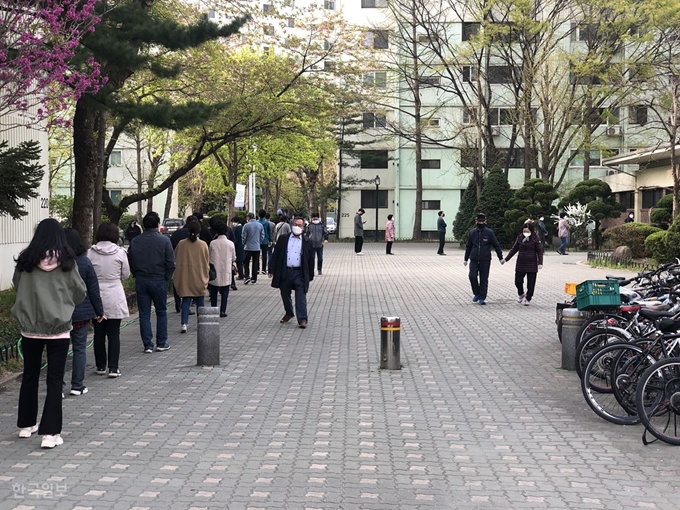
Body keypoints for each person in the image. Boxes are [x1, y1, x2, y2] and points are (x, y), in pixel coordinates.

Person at [13, 218, 86, 448]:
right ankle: (50, 434)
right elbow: (80, 291)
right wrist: (63, 303)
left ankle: (26, 426)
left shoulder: (25, 261)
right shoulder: (67, 263)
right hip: (59, 329)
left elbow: (17, 286)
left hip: (30, 328)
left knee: (30, 376)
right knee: (55, 381)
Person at [63, 229, 105, 396]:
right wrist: (99, 311)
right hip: (81, 313)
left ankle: (58, 387)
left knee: (60, 351)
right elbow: (93, 290)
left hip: (60, 315)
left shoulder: (55, 263)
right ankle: (77, 385)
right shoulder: (85, 263)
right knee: (80, 349)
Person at [88, 222, 131, 377]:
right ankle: (113, 368)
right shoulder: (120, 253)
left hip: (96, 294)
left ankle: (100, 366)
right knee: (114, 333)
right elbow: (126, 274)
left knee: (98, 333)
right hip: (114, 294)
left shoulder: (90, 253)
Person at [128, 212, 175, 353]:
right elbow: (171, 263)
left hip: (141, 279)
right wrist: (166, 277)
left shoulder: (135, 241)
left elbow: (131, 260)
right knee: (161, 311)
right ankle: (161, 342)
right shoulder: (164, 241)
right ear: (157, 224)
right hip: (159, 279)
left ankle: (147, 344)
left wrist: (136, 273)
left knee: (144, 313)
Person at [268, 217, 315, 329]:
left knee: (301, 296)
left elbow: (311, 260)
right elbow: (276, 255)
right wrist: (271, 269)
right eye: (295, 224)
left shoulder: (307, 242)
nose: (297, 227)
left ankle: (302, 319)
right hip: (286, 271)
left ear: (303, 228)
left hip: (299, 272)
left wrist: (310, 275)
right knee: (285, 294)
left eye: (299, 225)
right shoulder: (283, 239)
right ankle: (289, 312)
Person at [174, 221, 210, 333]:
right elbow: (207, 261)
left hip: (186, 276)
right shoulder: (203, 244)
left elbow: (176, 257)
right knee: (200, 301)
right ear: (199, 231)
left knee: (186, 300)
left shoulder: (181, 244)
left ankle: (184, 324)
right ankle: (201, 323)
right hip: (199, 275)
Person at [464, 213, 504, 305]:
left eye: (482, 221)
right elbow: (468, 246)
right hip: (474, 259)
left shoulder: (489, 232)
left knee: (484, 279)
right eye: (479, 221)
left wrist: (500, 257)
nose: (481, 223)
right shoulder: (472, 233)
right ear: (476, 222)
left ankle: (482, 297)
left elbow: (496, 245)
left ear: (485, 221)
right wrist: (466, 258)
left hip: (485, 259)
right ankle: (476, 293)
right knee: (472, 276)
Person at [504, 223, 544, 306]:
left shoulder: (535, 238)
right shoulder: (520, 237)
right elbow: (514, 249)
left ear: (531, 231)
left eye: (527, 231)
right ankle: (521, 293)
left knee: (531, 283)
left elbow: (539, 251)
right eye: (524, 231)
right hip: (521, 262)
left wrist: (540, 263)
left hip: (532, 263)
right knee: (517, 281)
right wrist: (506, 259)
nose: (525, 232)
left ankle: (528, 298)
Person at [208, 221, 237, 317]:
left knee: (213, 291)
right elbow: (234, 258)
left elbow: (208, 256)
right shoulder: (230, 244)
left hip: (214, 270)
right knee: (225, 292)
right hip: (226, 269)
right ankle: (222, 310)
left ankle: (213, 309)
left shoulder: (212, 243)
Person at [171, 215, 197, 312]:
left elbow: (171, 247)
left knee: (177, 282)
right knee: (188, 283)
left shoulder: (176, 233)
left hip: (176, 261)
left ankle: (177, 304)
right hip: (189, 263)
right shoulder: (192, 235)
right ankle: (186, 306)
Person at [242, 212, 264, 284]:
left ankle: (247, 276)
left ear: (248, 217)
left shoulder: (246, 226)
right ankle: (254, 278)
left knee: (246, 262)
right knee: (255, 262)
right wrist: (259, 242)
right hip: (257, 247)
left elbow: (243, 236)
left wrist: (244, 243)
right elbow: (262, 236)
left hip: (248, 247)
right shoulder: (260, 225)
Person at [258, 209, 273, 275]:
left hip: (257, 241)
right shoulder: (267, 223)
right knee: (264, 255)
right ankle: (264, 269)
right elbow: (269, 232)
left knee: (257, 255)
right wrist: (270, 240)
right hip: (265, 240)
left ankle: (257, 269)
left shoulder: (257, 222)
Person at [231, 216, 245, 289]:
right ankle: (242, 274)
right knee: (241, 261)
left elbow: (235, 238)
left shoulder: (237, 229)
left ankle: (241, 275)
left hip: (238, 246)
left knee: (239, 261)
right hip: (242, 246)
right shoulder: (243, 227)